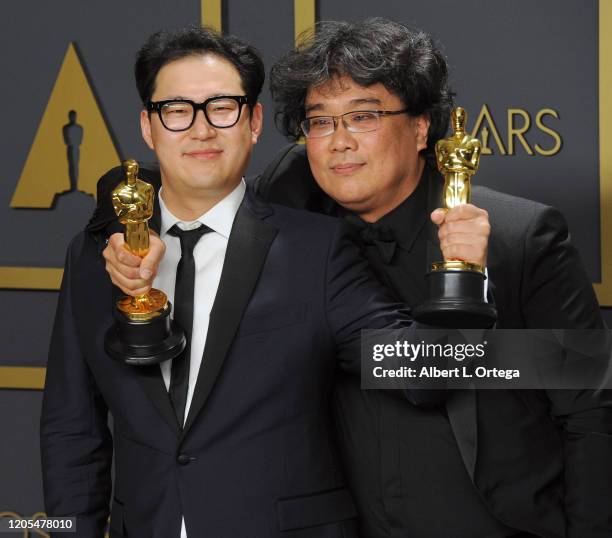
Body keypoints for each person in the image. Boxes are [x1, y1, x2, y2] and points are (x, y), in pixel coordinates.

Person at [98, 18, 612, 538]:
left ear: (420, 128)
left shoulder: (517, 235)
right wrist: (124, 232)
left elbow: (589, 408)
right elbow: (183, 180)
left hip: (496, 523)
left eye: (364, 116)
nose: (339, 142)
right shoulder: (289, 207)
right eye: (320, 122)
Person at [40, 24, 486, 538]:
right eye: (177, 110)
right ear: (149, 127)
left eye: (223, 107)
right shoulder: (96, 254)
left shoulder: (316, 249)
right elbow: (71, 430)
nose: (201, 130)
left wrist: (463, 271)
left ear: (253, 122)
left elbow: (423, 380)